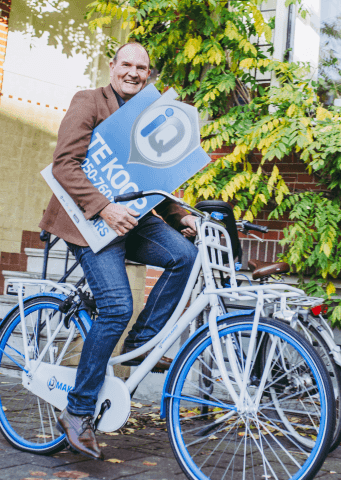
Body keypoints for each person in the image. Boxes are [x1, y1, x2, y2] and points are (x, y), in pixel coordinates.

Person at [39, 42, 198, 460]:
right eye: (126, 64)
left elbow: (149, 177)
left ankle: (145, 340)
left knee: (186, 255)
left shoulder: (147, 112)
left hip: (131, 217)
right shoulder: (88, 102)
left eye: (141, 67)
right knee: (115, 307)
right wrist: (105, 208)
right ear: (112, 67)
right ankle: (77, 412)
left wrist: (181, 215)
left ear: (148, 75)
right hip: (88, 220)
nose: (133, 72)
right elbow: (64, 164)